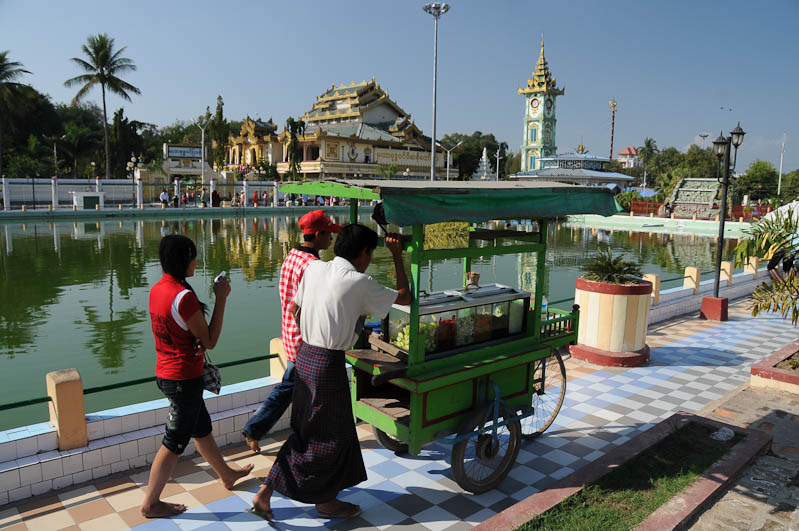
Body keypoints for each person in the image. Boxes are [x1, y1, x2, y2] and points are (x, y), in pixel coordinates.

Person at [249, 224, 410, 521]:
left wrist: (320, 327)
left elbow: (295, 310)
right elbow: (404, 297)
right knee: (331, 435)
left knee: (305, 430)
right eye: (371, 254)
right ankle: (324, 501)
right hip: (327, 364)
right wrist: (398, 256)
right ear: (364, 253)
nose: (369, 260)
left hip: (306, 355)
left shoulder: (314, 269)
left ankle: (267, 493)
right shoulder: (359, 281)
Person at [140, 235, 253, 518]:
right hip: (183, 380)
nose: (196, 262)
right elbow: (211, 340)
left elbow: (181, 331)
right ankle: (150, 503)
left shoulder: (158, 289)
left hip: (167, 372)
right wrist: (222, 298)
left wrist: (195, 338)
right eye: (193, 256)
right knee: (174, 442)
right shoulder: (184, 296)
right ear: (184, 259)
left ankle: (226, 473)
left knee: (201, 427)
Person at [241, 210, 341, 453]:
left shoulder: (291, 256)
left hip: (290, 333)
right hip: (305, 339)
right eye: (329, 235)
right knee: (292, 389)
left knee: (292, 388)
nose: (331, 240)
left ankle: (257, 429)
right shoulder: (314, 266)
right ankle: (254, 429)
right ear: (317, 235)